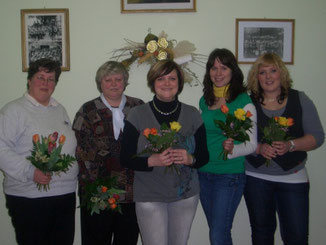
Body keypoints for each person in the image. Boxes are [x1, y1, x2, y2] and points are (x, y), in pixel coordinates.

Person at [120, 59, 209, 245]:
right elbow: (125, 158)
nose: (167, 83)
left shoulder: (193, 114)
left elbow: (204, 157)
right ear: (153, 83)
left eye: (172, 78)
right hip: (149, 195)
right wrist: (151, 161)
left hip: (184, 195)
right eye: (161, 79)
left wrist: (190, 158)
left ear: (179, 83)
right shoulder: (136, 114)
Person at [244, 53, 324, 245]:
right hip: (256, 179)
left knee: (296, 237)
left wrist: (291, 145)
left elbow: (317, 137)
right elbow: (238, 139)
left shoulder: (300, 99)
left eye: (273, 71)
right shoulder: (247, 103)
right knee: (261, 235)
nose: (268, 77)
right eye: (262, 73)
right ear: (256, 77)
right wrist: (258, 148)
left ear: (282, 74)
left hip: (293, 178)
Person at [0, 58, 78, 245]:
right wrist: (31, 172)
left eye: (51, 79)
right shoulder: (13, 110)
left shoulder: (59, 109)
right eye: (40, 77)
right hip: (30, 198)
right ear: (29, 80)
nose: (45, 83)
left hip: (64, 196)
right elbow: (1, 148)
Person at [72, 61, 143, 245]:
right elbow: (80, 152)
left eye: (118, 79)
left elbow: (147, 147)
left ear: (125, 82)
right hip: (98, 194)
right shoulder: (87, 111)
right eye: (108, 80)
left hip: (132, 194)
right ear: (100, 83)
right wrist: (98, 188)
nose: (113, 84)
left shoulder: (139, 107)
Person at [198, 48, 257, 245]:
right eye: (213, 68)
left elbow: (251, 144)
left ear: (233, 71)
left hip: (228, 176)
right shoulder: (204, 101)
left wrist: (233, 151)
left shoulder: (243, 101)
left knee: (218, 235)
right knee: (219, 233)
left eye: (223, 68)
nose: (218, 73)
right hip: (204, 174)